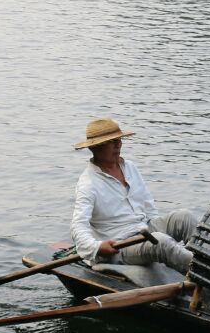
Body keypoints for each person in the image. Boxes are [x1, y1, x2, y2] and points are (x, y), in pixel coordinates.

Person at [70, 117, 196, 273]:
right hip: (120, 245)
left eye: (119, 140)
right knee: (161, 242)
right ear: (95, 147)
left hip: (144, 228)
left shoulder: (129, 167)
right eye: (112, 141)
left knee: (185, 217)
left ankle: (205, 261)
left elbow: (148, 206)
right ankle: (204, 273)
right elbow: (78, 226)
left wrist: (155, 229)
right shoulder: (88, 184)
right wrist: (96, 247)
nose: (119, 144)